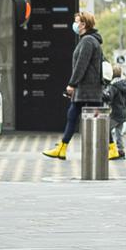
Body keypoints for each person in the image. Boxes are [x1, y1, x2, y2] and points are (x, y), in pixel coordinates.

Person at [43, 11, 103, 160]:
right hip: (88, 88)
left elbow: (81, 65)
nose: (75, 25)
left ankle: (63, 148)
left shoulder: (88, 41)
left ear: (83, 24)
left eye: (77, 21)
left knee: (83, 116)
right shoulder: (89, 40)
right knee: (79, 115)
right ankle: (62, 148)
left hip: (87, 88)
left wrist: (72, 83)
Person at [108, 65, 126, 160]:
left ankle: (112, 150)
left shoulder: (114, 86)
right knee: (118, 133)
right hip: (122, 112)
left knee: (106, 129)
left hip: (115, 113)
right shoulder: (124, 84)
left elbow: (109, 97)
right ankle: (121, 151)